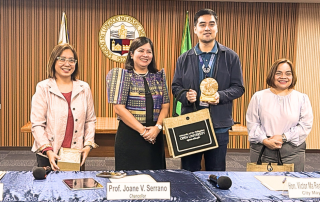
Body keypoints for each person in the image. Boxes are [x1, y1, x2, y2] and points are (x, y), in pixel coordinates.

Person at [172, 9, 245, 171]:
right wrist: (186, 96)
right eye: (202, 24)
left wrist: (221, 95)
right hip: (191, 124)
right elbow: (175, 87)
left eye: (211, 24)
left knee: (216, 173)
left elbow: (239, 88)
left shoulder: (230, 57)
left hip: (218, 125)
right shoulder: (184, 58)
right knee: (189, 174)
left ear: (217, 28)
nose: (207, 28)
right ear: (195, 29)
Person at [31, 44, 98, 171]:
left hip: (76, 154)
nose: (67, 64)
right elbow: (37, 124)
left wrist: (88, 145)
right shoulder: (43, 88)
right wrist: (48, 150)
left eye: (71, 60)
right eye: (62, 59)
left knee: (75, 188)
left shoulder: (84, 88)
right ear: (53, 61)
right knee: (50, 190)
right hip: (49, 154)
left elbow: (90, 120)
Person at [106, 37, 170, 170]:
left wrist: (157, 128)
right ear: (131, 54)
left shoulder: (159, 76)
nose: (145, 55)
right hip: (130, 136)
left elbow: (165, 106)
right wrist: (143, 131)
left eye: (149, 51)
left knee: (156, 179)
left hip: (155, 136)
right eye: (141, 51)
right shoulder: (122, 75)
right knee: (130, 180)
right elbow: (118, 108)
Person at [246, 58, 313, 172]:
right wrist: (264, 140)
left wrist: (283, 137)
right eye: (279, 73)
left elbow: (305, 126)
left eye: (288, 73)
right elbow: (252, 124)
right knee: (260, 187)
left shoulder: (302, 98)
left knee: (289, 188)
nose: (283, 77)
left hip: (292, 153)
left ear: (292, 76)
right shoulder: (259, 96)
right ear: (272, 75)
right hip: (262, 150)